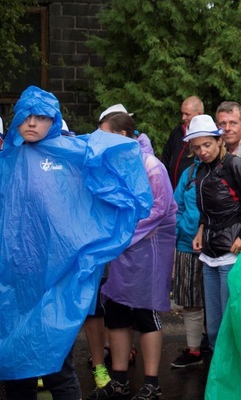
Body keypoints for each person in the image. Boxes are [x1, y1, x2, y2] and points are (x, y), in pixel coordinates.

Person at [0, 87, 151, 397]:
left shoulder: (68, 154)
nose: (32, 123)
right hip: (13, 285)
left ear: (53, 121)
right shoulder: (7, 161)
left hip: (56, 281)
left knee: (57, 367)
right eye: (27, 115)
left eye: (41, 117)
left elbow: (110, 162)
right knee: (16, 371)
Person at [87, 112, 177, 400]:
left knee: (145, 312)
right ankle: (120, 378)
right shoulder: (116, 164)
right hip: (120, 251)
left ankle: (152, 381)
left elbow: (159, 209)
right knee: (116, 313)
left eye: (105, 134)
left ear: (122, 136)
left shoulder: (151, 166)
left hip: (147, 251)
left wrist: (118, 234)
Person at [186, 114, 241, 350]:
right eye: (197, 147)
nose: (202, 151)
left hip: (232, 256)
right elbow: (209, 206)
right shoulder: (201, 170)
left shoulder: (234, 165)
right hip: (209, 254)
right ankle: (219, 380)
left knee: (230, 325)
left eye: (207, 145)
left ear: (219, 140)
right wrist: (201, 229)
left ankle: (234, 382)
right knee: (213, 329)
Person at [169, 157, 205, 368]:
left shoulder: (227, 167)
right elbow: (177, 205)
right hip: (187, 245)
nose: (202, 150)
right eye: (197, 145)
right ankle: (194, 350)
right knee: (190, 299)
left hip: (220, 246)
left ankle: (217, 347)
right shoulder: (190, 173)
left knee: (218, 301)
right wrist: (181, 229)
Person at [161, 96, 204, 189]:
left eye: (187, 114)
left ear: (199, 114)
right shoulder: (177, 132)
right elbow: (166, 157)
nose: (183, 117)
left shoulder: (206, 138)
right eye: (182, 113)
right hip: (171, 189)